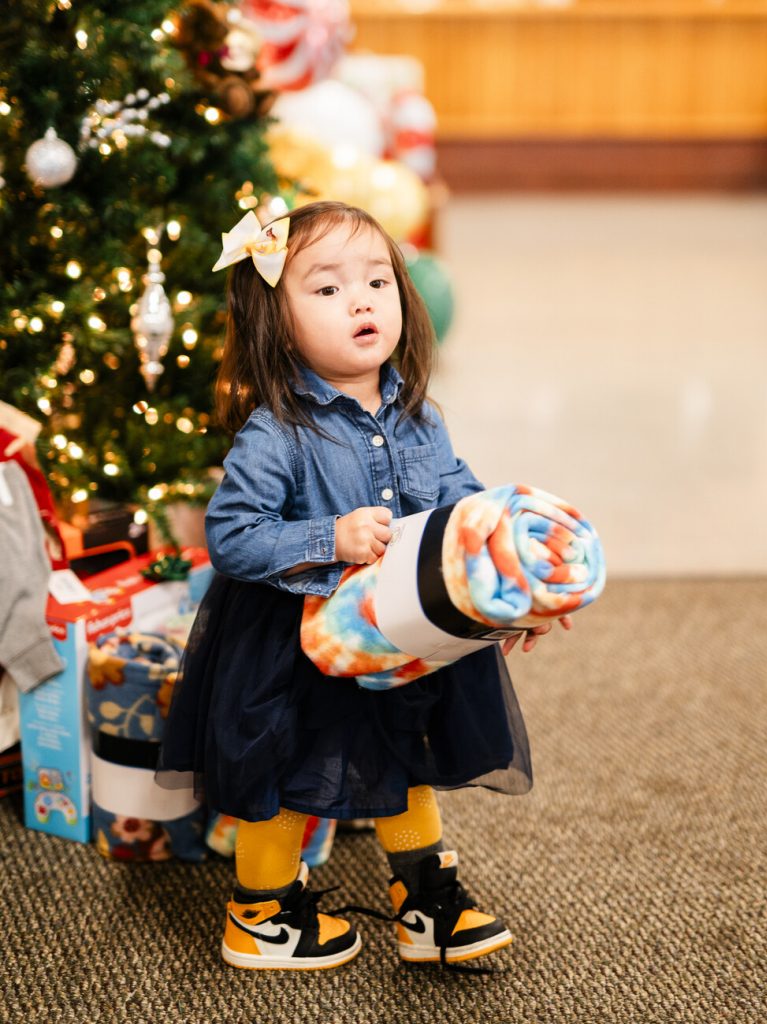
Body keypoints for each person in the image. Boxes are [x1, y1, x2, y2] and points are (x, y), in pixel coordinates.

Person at [159, 200, 571, 972]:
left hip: (400, 633)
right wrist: (329, 538)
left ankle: (423, 899)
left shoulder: (420, 417)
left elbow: (465, 513)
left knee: (405, 756)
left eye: (376, 281)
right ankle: (262, 914)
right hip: (294, 644)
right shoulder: (276, 430)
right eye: (325, 289)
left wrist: (513, 585)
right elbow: (233, 535)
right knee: (283, 773)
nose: (360, 300)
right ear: (276, 323)